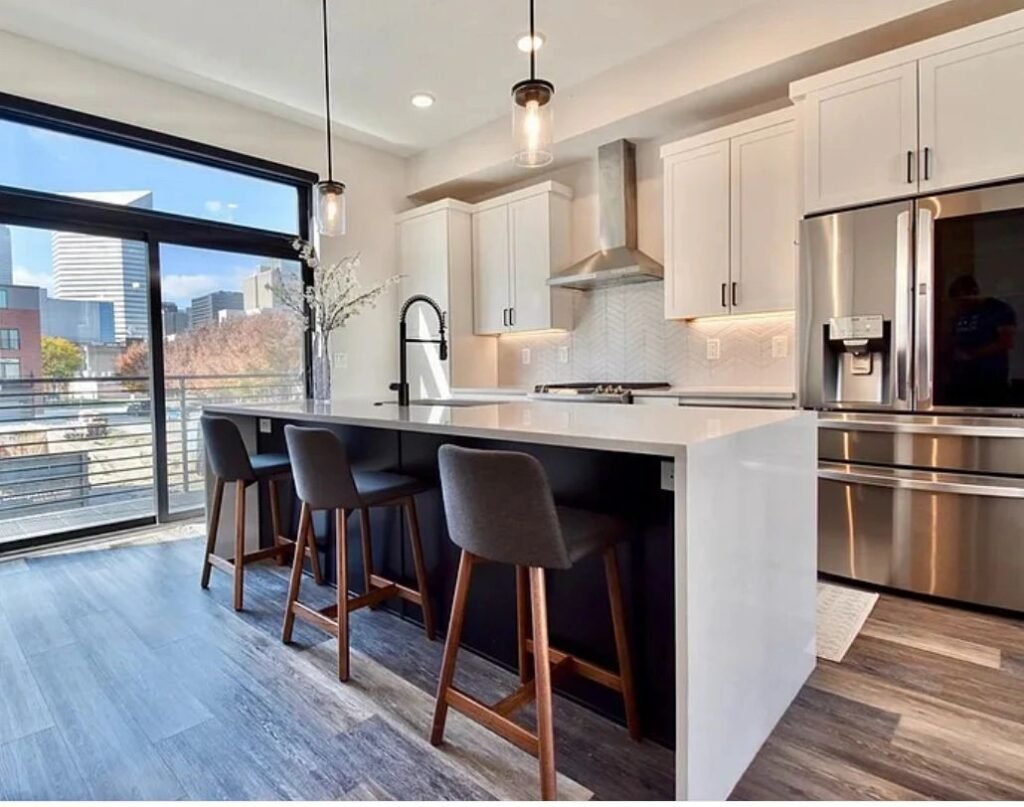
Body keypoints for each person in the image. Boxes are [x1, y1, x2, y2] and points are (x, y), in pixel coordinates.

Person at [945, 274, 1017, 406]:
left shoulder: (998, 309)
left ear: (974, 292)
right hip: (961, 381)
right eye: (958, 301)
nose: (961, 303)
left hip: (990, 380)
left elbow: (1006, 341)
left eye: (964, 299)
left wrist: (971, 355)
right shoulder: (961, 314)